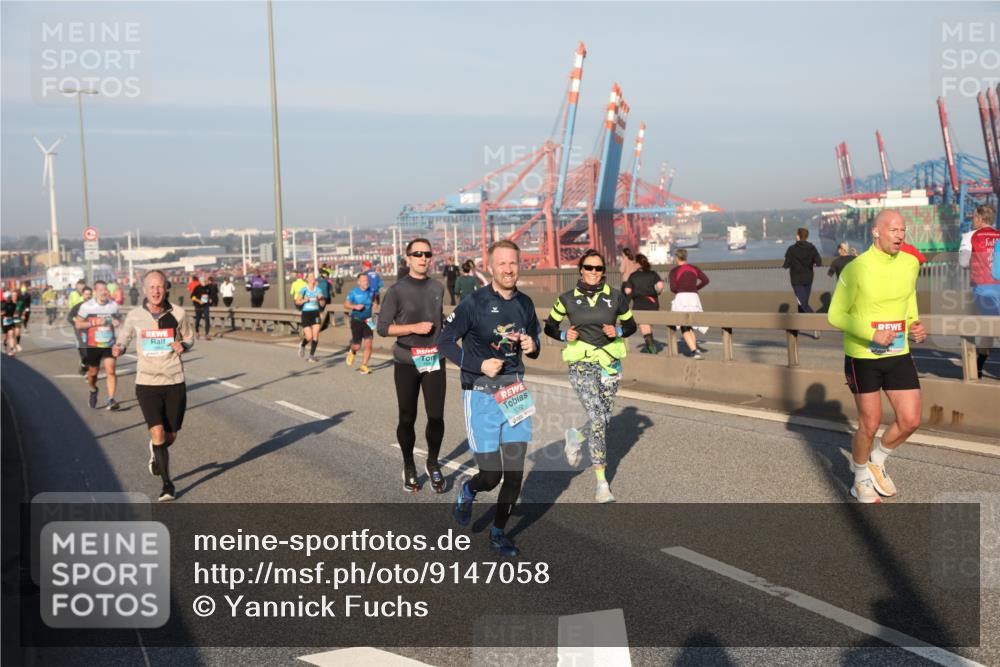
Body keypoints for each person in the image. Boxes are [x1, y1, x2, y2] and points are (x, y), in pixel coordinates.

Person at [439, 239, 541, 558]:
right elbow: (445, 341)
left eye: (513, 263)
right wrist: (478, 364)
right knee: (491, 476)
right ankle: (469, 490)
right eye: (502, 264)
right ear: (491, 266)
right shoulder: (475, 302)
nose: (508, 269)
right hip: (480, 393)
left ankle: (498, 533)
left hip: (514, 392)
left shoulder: (524, 303)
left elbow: (535, 339)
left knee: (513, 475)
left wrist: (531, 345)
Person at [828, 209, 926, 504]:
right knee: (869, 424)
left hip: (898, 352)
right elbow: (835, 314)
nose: (900, 235)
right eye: (894, 229)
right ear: (876, 232)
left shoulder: (910, 264)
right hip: (863, 355)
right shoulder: (856, 268)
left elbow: (907, 298)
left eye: (903, 230)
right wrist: (871, 334)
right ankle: (860, 480)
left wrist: (914, 324)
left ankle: (877, 460)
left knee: (910, 420)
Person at [544, 249, 637, 503]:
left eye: (598, 268)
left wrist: (617, 330)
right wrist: (564, 335)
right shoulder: (566, 299)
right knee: (597, 418)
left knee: (604, 420)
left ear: (603, 272)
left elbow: (631, 326)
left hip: (609, 364)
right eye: (589, 268)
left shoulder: (616, 298)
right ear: (581, 270)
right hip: (581, 364)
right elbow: (549, 326)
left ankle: (575, 436)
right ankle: (602, 483)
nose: (594, 273)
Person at [113, 270, 194, 502]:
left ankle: (156, 451)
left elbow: (189, 337)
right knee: (157, 431)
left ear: (165, 288)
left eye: (160, 287)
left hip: (174, 380)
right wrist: (118, 348)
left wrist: (184, 346)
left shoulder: (177, 313)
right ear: (144, 289)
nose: (156, 291)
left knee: (170, 436)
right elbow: (124, 337)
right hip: (147, 382)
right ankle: (167, 485)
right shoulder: (135, 315)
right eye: (151, 287)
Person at [376, 238, 447, 493]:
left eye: (427, 253)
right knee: (408, 417)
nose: (423, 258)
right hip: (406, 360)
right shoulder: (396, 290)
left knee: (436, 416)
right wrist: (413, 328)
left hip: (434, 358)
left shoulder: (438, 287)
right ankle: (408, 465)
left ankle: (433, 462)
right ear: (408, 259)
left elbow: (439, 320)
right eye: (417, 254)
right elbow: (382, 328)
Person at [959, 203, 999, 378]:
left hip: (983, 288)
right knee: (990, 328)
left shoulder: (970, 236)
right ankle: (978, 366)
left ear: (980, 218)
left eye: (974, 216)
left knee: (988, 328)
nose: (972, 219)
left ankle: (977, 368)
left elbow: (962, 262)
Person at [75, 281, 122, 410]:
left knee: (111, 371)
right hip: (93, 345)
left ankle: (111, 399)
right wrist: (94, 322)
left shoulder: (113, 305)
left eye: (105, 289)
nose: (103, 292)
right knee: (93, 373)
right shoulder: (87, 306)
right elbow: (78, 324)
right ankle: (93, 389)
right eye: (100, 290)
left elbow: (119, 318)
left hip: (109, 344)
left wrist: (117, 322)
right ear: (95, 292)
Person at [667, 248, 711, 359]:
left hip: (682, 297)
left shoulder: (674, 271)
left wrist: (680, 290)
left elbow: (673, 288)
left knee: (683, 324)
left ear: (677, 258)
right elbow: (706, 280)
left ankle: (694, 351)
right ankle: (695, 348)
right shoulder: (694, 268)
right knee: (690, 324)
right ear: (686, 257)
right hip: (694, 297)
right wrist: (696, 287)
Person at [623, 253, 665, 354]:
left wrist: (629, 288)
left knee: (644, 325)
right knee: (648, 324)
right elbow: (660, 286)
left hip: (639, 303)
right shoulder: (653, 274)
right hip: (652, 302)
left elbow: (627, 291)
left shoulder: (633, 276)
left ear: (637, 263)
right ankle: (651, 344)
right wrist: (657, 292)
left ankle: (651, 348)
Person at [783, 227, 822, 314]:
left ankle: (816, 321)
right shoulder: (812, 248)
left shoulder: (791, 249)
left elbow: (786, 264)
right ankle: (803, 325)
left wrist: (790, 263)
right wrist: (812, 262)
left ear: (798, 236)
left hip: (796, 280)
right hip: (808, 278)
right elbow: (819, 263)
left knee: (803, 304)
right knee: (803, 303)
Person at [345, 273, 375, 374]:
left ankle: (364, 366)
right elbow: (346, 304)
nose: (366, 282)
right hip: (356, 320)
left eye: (367, 280)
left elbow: (375, 300)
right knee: (357, 346)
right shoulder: (353, 292)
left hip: (368, 320)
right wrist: (355, 307)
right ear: (359, 282)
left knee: (369, 344)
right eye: (364, 280)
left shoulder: (372, 290)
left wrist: (375, 305)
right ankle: (352, 351)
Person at [296, 274, 325, 362]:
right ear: (307, 279)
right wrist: (305, 300)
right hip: (306, 314)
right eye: (311, 277)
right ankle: (302, 345)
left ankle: (311, 356)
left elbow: (322, 304)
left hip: (315, 313)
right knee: (309, 337)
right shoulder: (304, 290)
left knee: (315, 335)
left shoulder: (318, 290)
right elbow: (298, 302)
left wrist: (321, 299)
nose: (313, 279)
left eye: (313, 277)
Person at [67, 286, 92, 374]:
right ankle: (83, 364)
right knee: (84, 350)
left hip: (93, 331)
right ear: (82, 295)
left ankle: (89, 368)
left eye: (89, 294)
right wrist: (76, 325)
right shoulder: (78, 307)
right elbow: (69, 317)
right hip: (81, 332)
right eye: (86, 294)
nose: (88, 296)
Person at [190, 275, 213, 341]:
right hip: (198, 306)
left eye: (205, 281)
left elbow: (211, 295)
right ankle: (197, 332)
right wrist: (199, 301)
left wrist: (210, 299)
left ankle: (207, 334)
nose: (205, 282)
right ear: (200, 282)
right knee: (198, 319)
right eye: (203, 281)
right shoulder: (197, 288)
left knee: (207, 318)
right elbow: (192, 297)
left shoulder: (208, 287)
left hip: (206, 305)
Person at [2, 291, 18, 356]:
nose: (8, 298)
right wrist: (3, 314)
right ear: (5, 298)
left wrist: (15, 316)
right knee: (5, 337)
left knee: (11, 335)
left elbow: (15, 312)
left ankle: (12, 350)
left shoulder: (13, 304)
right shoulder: (2, 304)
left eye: (9, 297)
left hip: (11, 321)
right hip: (4, 321)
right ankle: (4, 346)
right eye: (7, 297)